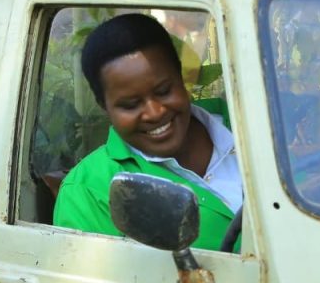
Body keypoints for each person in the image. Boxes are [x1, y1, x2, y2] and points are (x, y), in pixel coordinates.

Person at [53, 13, 242, 249]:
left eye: (164, 91)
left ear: (182, 78)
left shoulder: (251, 126)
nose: (154, 112)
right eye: (130, 105)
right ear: (105, 107)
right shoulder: (88, 191)